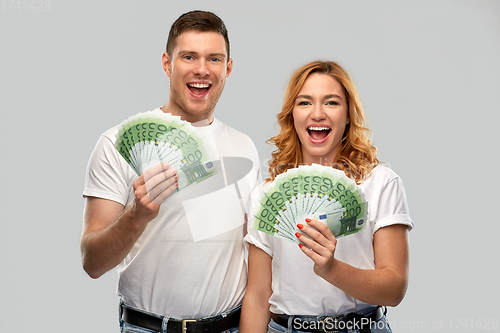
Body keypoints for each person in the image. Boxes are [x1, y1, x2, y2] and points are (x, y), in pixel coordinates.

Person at [81, 10, 261, 333]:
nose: (202, 70)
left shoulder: (245, 149)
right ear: (167, 63)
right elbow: (92, 262)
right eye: (189, 57)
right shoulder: (116, 145)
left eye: (214, 59)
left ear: (228, 68)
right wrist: (136, 215)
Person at [240, 61, 413, 333]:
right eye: (305, 103)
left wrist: (332, 269)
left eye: (331, 103)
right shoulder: (266, 195)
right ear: (292, 116)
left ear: (348, 116)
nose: (317, 114)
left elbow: (394, 289)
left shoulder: (381, 183)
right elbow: (258, 296)